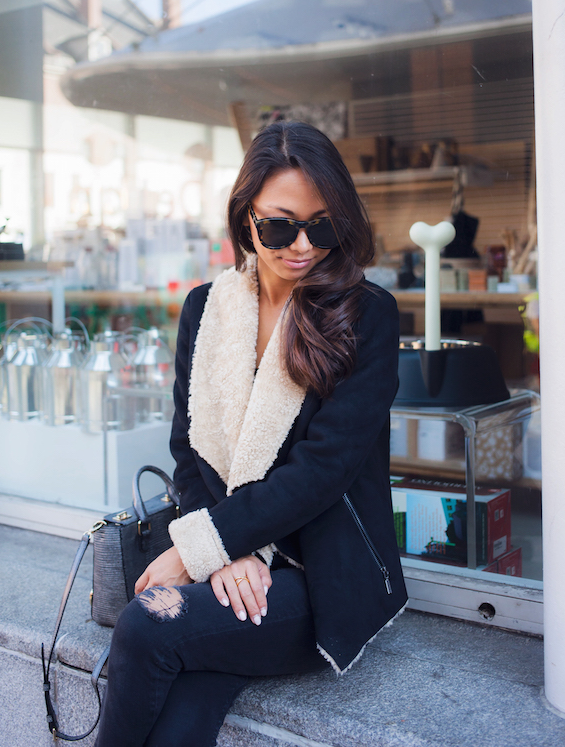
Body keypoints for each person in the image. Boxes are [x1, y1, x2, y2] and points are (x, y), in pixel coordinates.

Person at [95, 121, 407, 747]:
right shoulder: (206, 309)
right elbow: (188, 448)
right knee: (180, 713)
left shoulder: (366, 315)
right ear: (245, 221)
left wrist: (195, 551)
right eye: (279, 225)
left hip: (318, 573)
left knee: (146, 627)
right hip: (236, 560)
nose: (302, 245)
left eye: (321, 225)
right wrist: (226, 553)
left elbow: (322, 472)